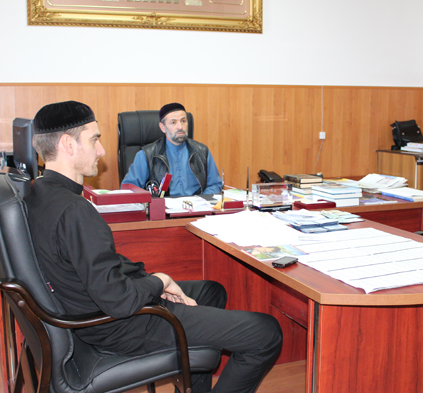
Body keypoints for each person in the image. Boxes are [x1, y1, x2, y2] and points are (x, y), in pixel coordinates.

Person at [24, 101, 282, 393]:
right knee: (266, 332)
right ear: (68, 144)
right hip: (122, 325)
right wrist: (159, 281)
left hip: (100, 312)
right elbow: (119, 300)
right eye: (94, 140)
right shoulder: (74, 211)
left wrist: (148, 279)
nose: (102, 150)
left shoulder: (41, 194)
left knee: (212, 292)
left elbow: (98, 268)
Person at [122, 102, 223, 196]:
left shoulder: (202, 151)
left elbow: (215, 184)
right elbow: (129, 189)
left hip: (196, 206)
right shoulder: (146, 155)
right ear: (163, 127)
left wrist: (200, 201)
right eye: (173, 122)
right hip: (163, 207)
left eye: (183, 121)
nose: (180, 127)